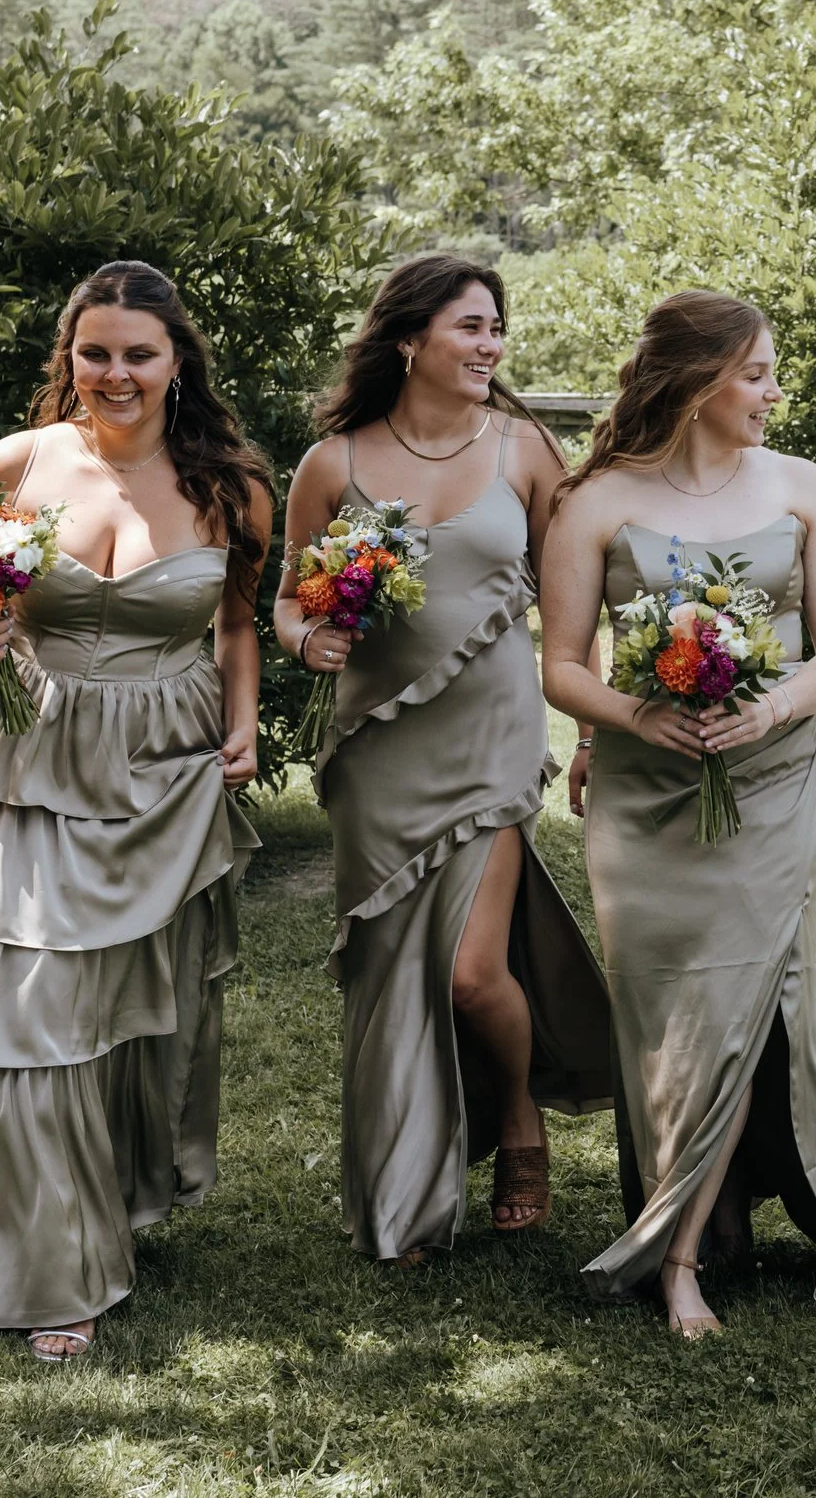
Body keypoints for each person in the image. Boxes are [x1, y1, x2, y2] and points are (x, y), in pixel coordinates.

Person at [0, 261, 269, 1361]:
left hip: (163, 765)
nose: (114, 374)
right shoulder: (16, 465)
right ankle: (53, 1266)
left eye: (138, 353)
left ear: (179, 361)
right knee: (29, 1006)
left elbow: (234, 627)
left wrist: (247, 722)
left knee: (125, 998)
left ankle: (102, 1200)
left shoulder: (232, 487)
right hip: (24, 747)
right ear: (67, 355)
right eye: (94, 351)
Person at [277, 254, 615, 1265]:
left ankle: (516, 1120)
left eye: (494, 328)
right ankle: (405, 1192)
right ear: (408, 339)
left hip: (493, 731)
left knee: (472, 975)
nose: (490, 345)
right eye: (469, 327)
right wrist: (308, 640)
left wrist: (592, 724)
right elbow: (289, 597)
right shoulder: (333, 464)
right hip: (378, 742)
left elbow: (573, 602)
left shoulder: (525, 451)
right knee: (390, 971)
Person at [540, 289, 816, 1336]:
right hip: (646, 786)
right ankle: (698, 1208)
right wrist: (637, 712)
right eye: (757, 373)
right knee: (666, 1008)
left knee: (744, 998)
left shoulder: (803, 488)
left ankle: (675, 1258)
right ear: (696, 380)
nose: (773, 391)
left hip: (774, 776)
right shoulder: (595, 503)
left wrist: (767, 710)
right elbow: (560, 667)